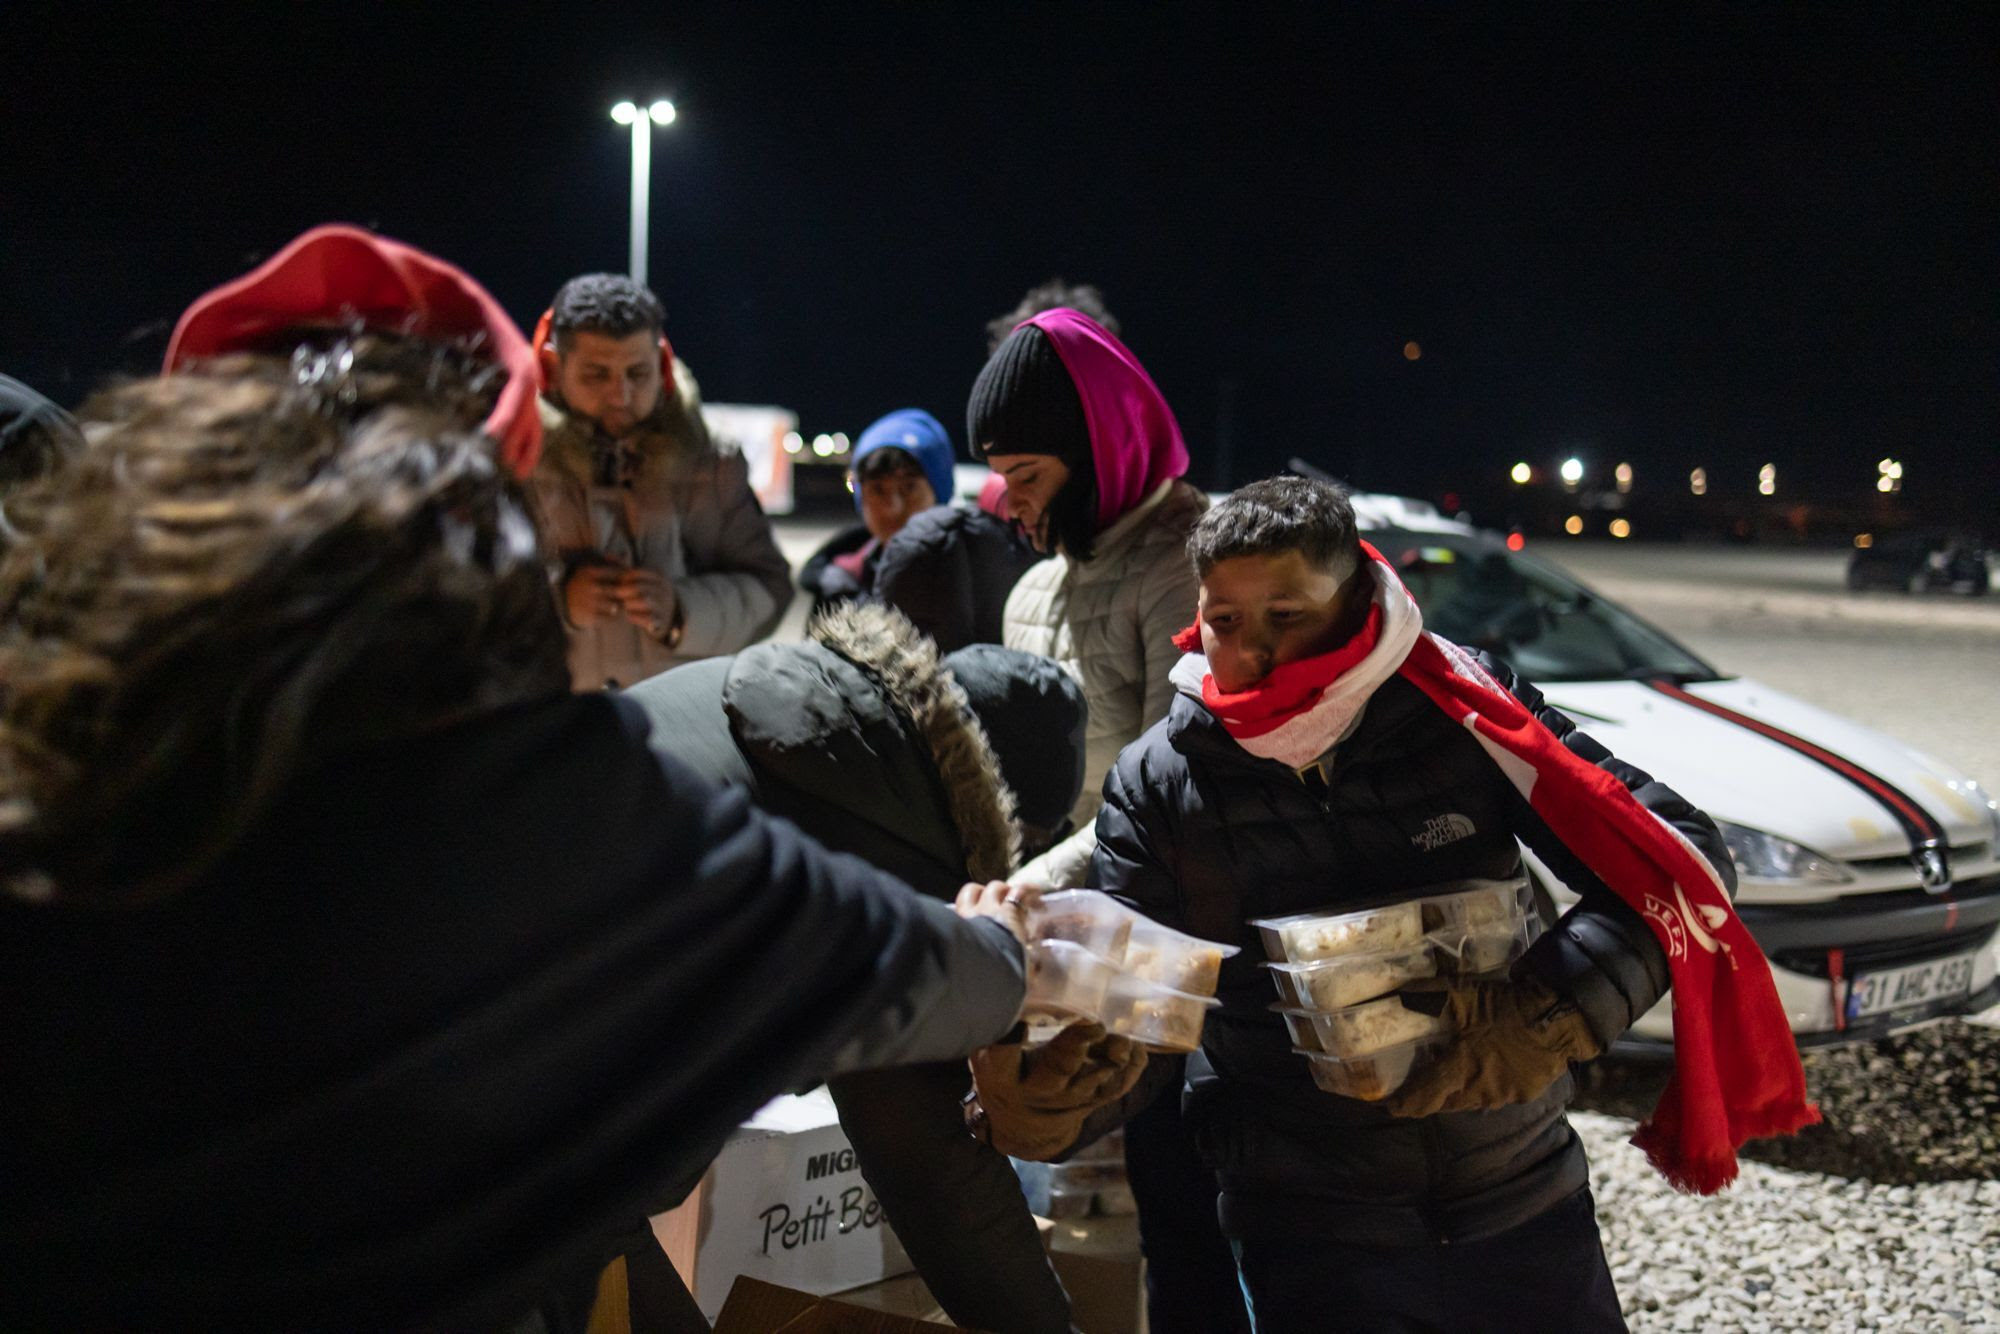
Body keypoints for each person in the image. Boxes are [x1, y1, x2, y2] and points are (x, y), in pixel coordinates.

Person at [0, 226, 1037, 1333]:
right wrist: (1011, 945)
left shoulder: (68, 760)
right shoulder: (549, 805)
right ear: (476, 539)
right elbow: (902, 967)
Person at [1090, 477, 1816, 1332]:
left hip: (1518, 1198)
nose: (1250, 655)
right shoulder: (1158, 781)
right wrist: (1055, 1083)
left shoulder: (1461, 711)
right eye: (1224, 620)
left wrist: (1543, 1019)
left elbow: (1676, 861)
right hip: (1307, 1231)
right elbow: (1132, 1007)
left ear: (1359, 599)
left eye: (1286, 618)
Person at [626, 603, 1126, 1333]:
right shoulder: (904, 851)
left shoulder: (759, 692)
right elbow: (928, 1159)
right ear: (999, 820)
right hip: (507, 1111)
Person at [528, 273, 792, 690]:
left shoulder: (710, 461)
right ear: (553, 367)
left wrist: (683, 610)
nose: (621, 394)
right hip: (555, 732)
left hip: (679, 728)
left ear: (663, 363)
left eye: (638, 372)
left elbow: (769, 588)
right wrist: (559, 603)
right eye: (596, 375)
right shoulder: (513, 461)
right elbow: (466, 606)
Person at [797, 408, 957, 618]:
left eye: (909, 488)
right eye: (877, 490)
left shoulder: (969, 577)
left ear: (940, 491)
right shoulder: (836, 581)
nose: (893, 507)